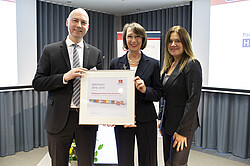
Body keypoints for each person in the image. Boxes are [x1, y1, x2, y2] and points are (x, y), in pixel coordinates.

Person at [32, 8, 102, 166]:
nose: (79, 25)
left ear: (88, 26)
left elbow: (99, 86)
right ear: (67, 23)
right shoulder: (50, 50)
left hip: (87, 119)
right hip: (58, 119)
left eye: (83, 22)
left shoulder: (95, 53)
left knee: (86, 163)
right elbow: (37, 82)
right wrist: (64, 77)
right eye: (75, 21)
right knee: (58, 163)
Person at [110, 22, 161, 166]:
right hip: (123, 120)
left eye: (138, 36)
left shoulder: (153, 64)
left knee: (148, 159)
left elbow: (158, 93)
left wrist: (145, 90)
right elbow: (112, 93)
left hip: (146, 119)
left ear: (143, 39)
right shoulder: (115, 63)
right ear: (125, 39)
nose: (133, 40)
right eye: (130, 36)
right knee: (124, 159)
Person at [158, 25, 202, 166]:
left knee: (178, 164)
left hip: (183, 125)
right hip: (168, 123)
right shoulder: (168, 66)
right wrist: (161, 118)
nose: (173, 44)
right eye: (170, 41)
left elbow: (193, 100)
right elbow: (165, 96)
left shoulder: (192, 64)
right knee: (168, 162)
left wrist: (183, 131)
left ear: (185, 42)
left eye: (177, 41)